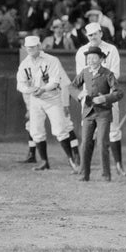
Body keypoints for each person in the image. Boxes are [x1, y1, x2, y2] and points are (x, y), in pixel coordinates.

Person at [16, 36, 79, 171]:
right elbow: (20, 84)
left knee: (60, 129)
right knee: (36, 130)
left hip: (52, 98)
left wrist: (43, 89)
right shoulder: (25, 64)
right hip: (35, 99)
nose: (31, 50)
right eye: (28, 48)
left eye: (33, 47)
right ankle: (44, 161)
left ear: (39, 46)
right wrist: (30, 90)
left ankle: (72, 160)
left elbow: (56, 81)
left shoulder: (51, 60)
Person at [75, 22, 126, 175]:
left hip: (107, 93)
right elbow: (82, 75)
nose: (93, 37)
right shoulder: (82, 51)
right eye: (90, 35)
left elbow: (115, 73)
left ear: (101, 33)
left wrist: (104, 93)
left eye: (95, 34)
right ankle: (84, 169)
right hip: (89, 97)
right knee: (87, 134)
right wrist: (84, 94)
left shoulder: (111, 49)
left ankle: (118, 165)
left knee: (113, 130)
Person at [70, 46, 122, 181]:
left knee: (102, 143)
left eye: (94, 58)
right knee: (85, 143)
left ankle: (106, 175)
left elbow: (119, 93)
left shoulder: (107, 74)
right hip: (88, 112)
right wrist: (79, 94)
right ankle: (84, 174)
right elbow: (71, 87)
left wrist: (105, 98)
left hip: (103, 112)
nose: (91, 61)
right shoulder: (84, 72)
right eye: (88, 58)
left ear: (101, 59)